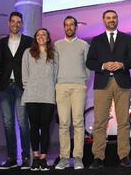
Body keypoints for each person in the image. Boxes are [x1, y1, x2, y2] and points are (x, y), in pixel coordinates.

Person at [86, 10, 131, 169]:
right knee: (100, 122)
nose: (111, 20)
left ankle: (124, 156)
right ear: (103, 20)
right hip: (102, 84)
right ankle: (98, 157)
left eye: (114, 18)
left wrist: (122, 64)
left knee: (123, 122)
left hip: (122, 82)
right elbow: (89, 62)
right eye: (108, 18)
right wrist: (102, 65)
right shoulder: (97, 40)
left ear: (117, 20)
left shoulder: (127, 38)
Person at [0, 11, 33, 170]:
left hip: (21, 87)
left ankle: (26, 158)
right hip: (4, 87)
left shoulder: (29, 41)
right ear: (9, 23)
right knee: (7, 123)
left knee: (23, 122)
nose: (16, 24)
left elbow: (33, 63)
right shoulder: (1, 42)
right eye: (13, 21)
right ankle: (11, 158)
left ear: (22, 24)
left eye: (19, 22)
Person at [54, 16, 89, 170]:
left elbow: (88, 66)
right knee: (63, 124)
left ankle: (78, 158)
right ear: (64, 27)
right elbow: (54, 66)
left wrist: (81, 80)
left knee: (78, 122)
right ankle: (63, 158)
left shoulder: (83, 45)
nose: (69, 27)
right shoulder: (56, 45)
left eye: (71, 25)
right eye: (66, 25)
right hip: (61, 87)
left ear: (76, 27)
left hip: (78, 86)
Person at [21, 28, 58, 171]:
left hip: (48, 96)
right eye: (38, 35)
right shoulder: (28, 53)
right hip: (32, 95)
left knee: (46, 127)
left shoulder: (54, 54)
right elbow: (25, 74)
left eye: (44, 34)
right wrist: (29, 88)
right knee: (34, 127)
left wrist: (51, 89)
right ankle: (35, 157)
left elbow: (55, 75)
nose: (41, 37)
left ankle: (43, 158)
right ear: (35, 38)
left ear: (48, 38)